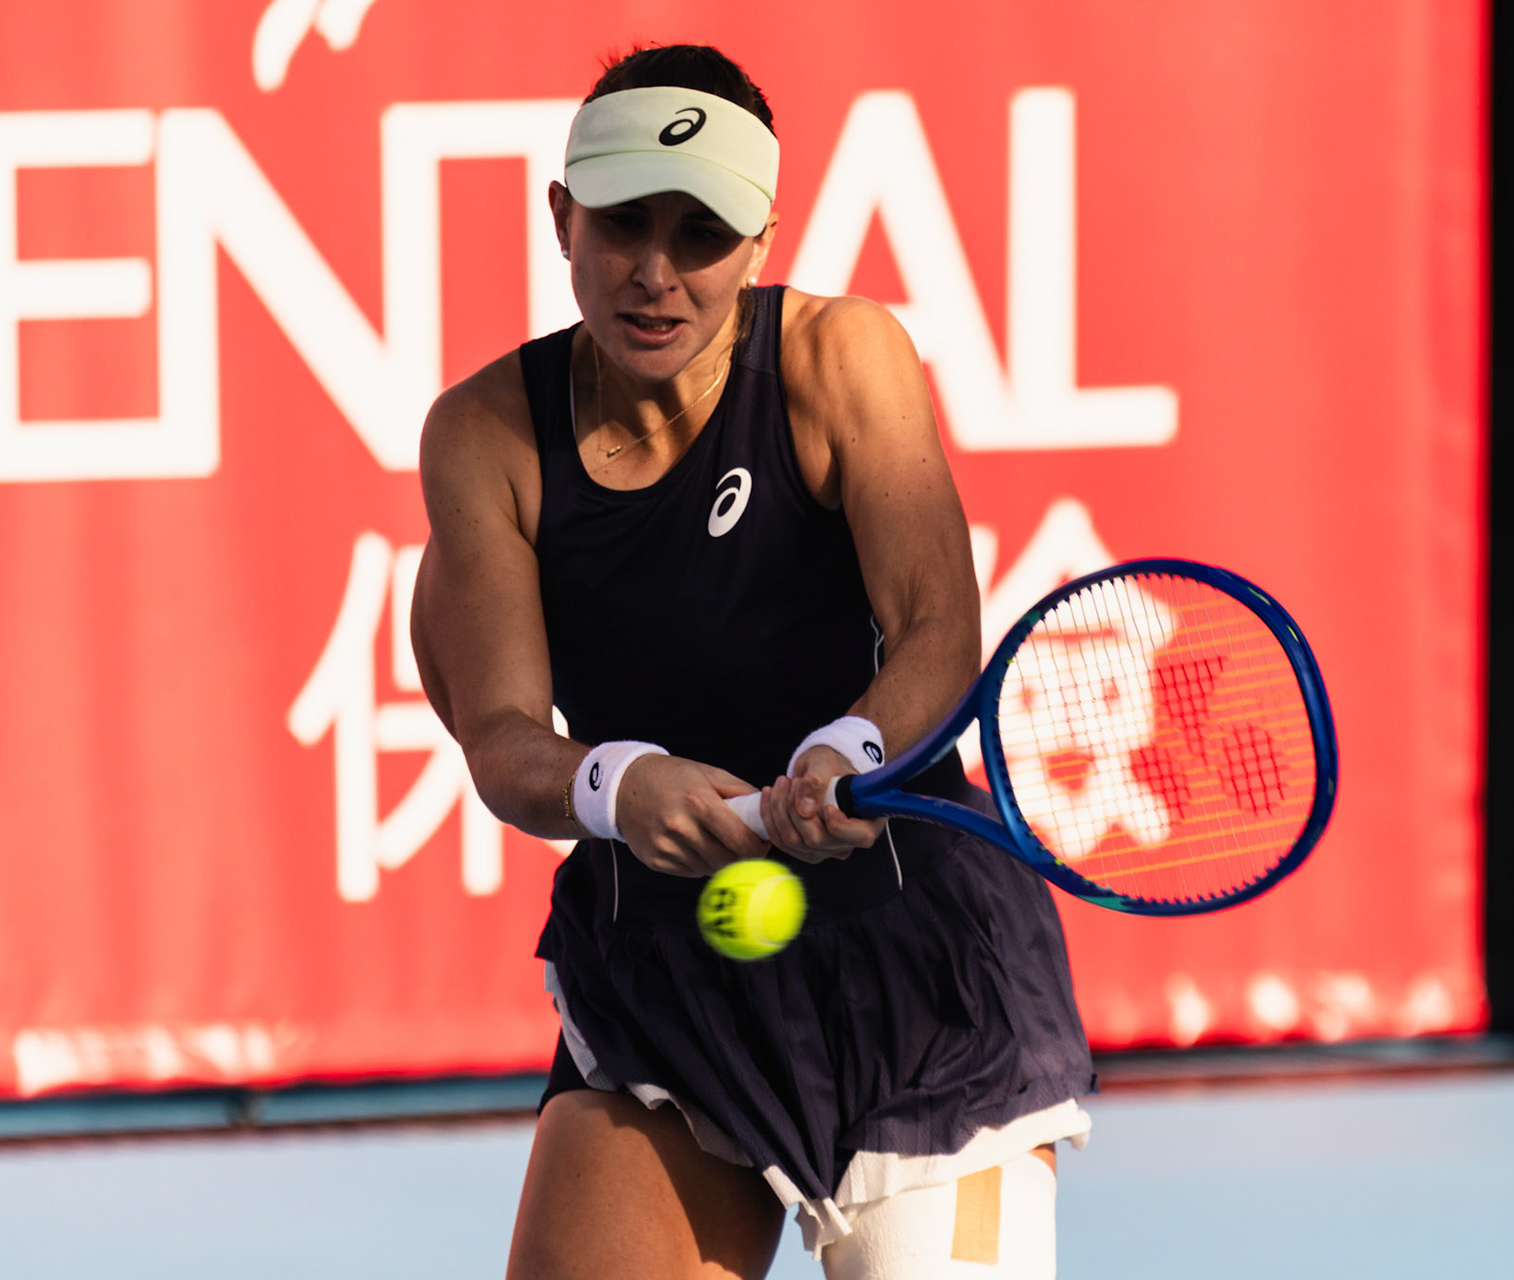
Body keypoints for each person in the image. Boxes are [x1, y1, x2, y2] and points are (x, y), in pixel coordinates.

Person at [411, 43, 1094, 1279]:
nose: (656, 273)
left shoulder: (841, 360)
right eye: (623, 222)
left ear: (762, 242)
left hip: (916, 961)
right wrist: (619, 782)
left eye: (703, 232)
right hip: (664, 973)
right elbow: (500, 733)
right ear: (561, 215)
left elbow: (940, 624)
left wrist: (849, 749)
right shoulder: (486, 435)